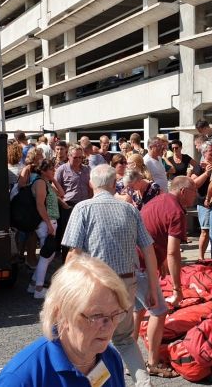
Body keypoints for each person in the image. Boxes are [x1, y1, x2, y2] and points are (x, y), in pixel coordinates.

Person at [63, 164, 160, 386]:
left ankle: (98, 383)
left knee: (90, 339)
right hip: (127, 282)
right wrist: (152, 290)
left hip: (97, 286)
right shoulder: (129, 209)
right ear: (112, 184)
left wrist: (63, 289)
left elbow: (74, 253)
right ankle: (143, 383)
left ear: (91, 183)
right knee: (124, 339)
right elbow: (148, 250)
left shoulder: (83, 208)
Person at [0, 255, 130, 387]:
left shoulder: (110, 359)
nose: (109, 326)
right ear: (61, 314)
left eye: (115, 314)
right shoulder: (22, 379)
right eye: (97, 315)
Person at [134, 176, 197, 378]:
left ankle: (129, 359)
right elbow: (173, 252)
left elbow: (152, 229)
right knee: (159, 311)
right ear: (183, 192)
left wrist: (159, 261)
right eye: (194, 191)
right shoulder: (177, 211)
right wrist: (178, 289)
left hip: (131, 261)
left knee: (138, 310)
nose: (196, 195)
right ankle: (152, 362)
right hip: (143, 264)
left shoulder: (159, 200)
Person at [28, 159, 66, 299]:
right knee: (47, 255)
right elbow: (40, 205)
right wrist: (49, 224)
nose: (53, 171)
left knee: (47, 255)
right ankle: (39, 289)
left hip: (49, 221)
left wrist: (53, 179)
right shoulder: (39, 183)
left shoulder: (46, 182)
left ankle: (33, 284)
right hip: (46, 222)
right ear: (43, 170)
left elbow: (62, 194)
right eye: (51, 169)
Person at [55, 146, 92, 258]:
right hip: (68, 206)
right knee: (68, 234)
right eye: (76, 157)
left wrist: (90, 200)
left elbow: (90, 187)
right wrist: (63, 204)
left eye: (81, 157)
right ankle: (67, 260)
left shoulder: (87, 169)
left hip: (84, 205)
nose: (78, 160)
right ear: (69, 156)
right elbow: (54, 189)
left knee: (85, 233)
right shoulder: (62, 169)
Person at [191, 143, 212, 259]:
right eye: (211, 151)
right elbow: (194, 184)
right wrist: (206, 173)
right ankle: (201, 258)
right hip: (203, 203)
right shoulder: (199, 167)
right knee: (205, 231)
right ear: (204, 153)